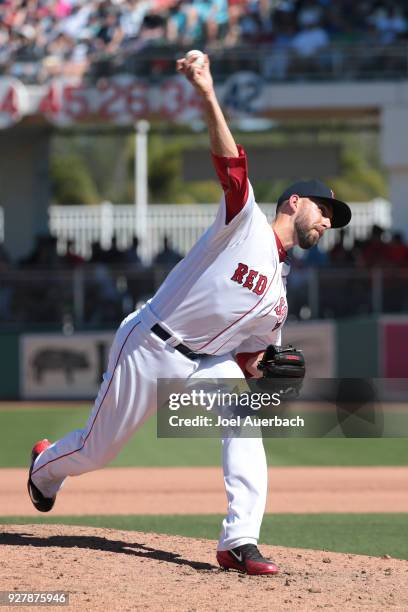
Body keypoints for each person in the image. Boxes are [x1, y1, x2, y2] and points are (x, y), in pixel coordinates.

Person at [27, 53, 351, 576]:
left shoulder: (281, 296)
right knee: (95, 451)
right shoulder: (242, 224)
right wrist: (205, 90)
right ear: (294, 202)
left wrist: (265, 369)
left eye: (334, 218)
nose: (329, 222)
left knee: (244, 420)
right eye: (325, 210)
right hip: (152, 342)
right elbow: (230, 163)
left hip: (205, 360)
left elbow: (249, 357)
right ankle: (45, 467)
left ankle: (238, 540)